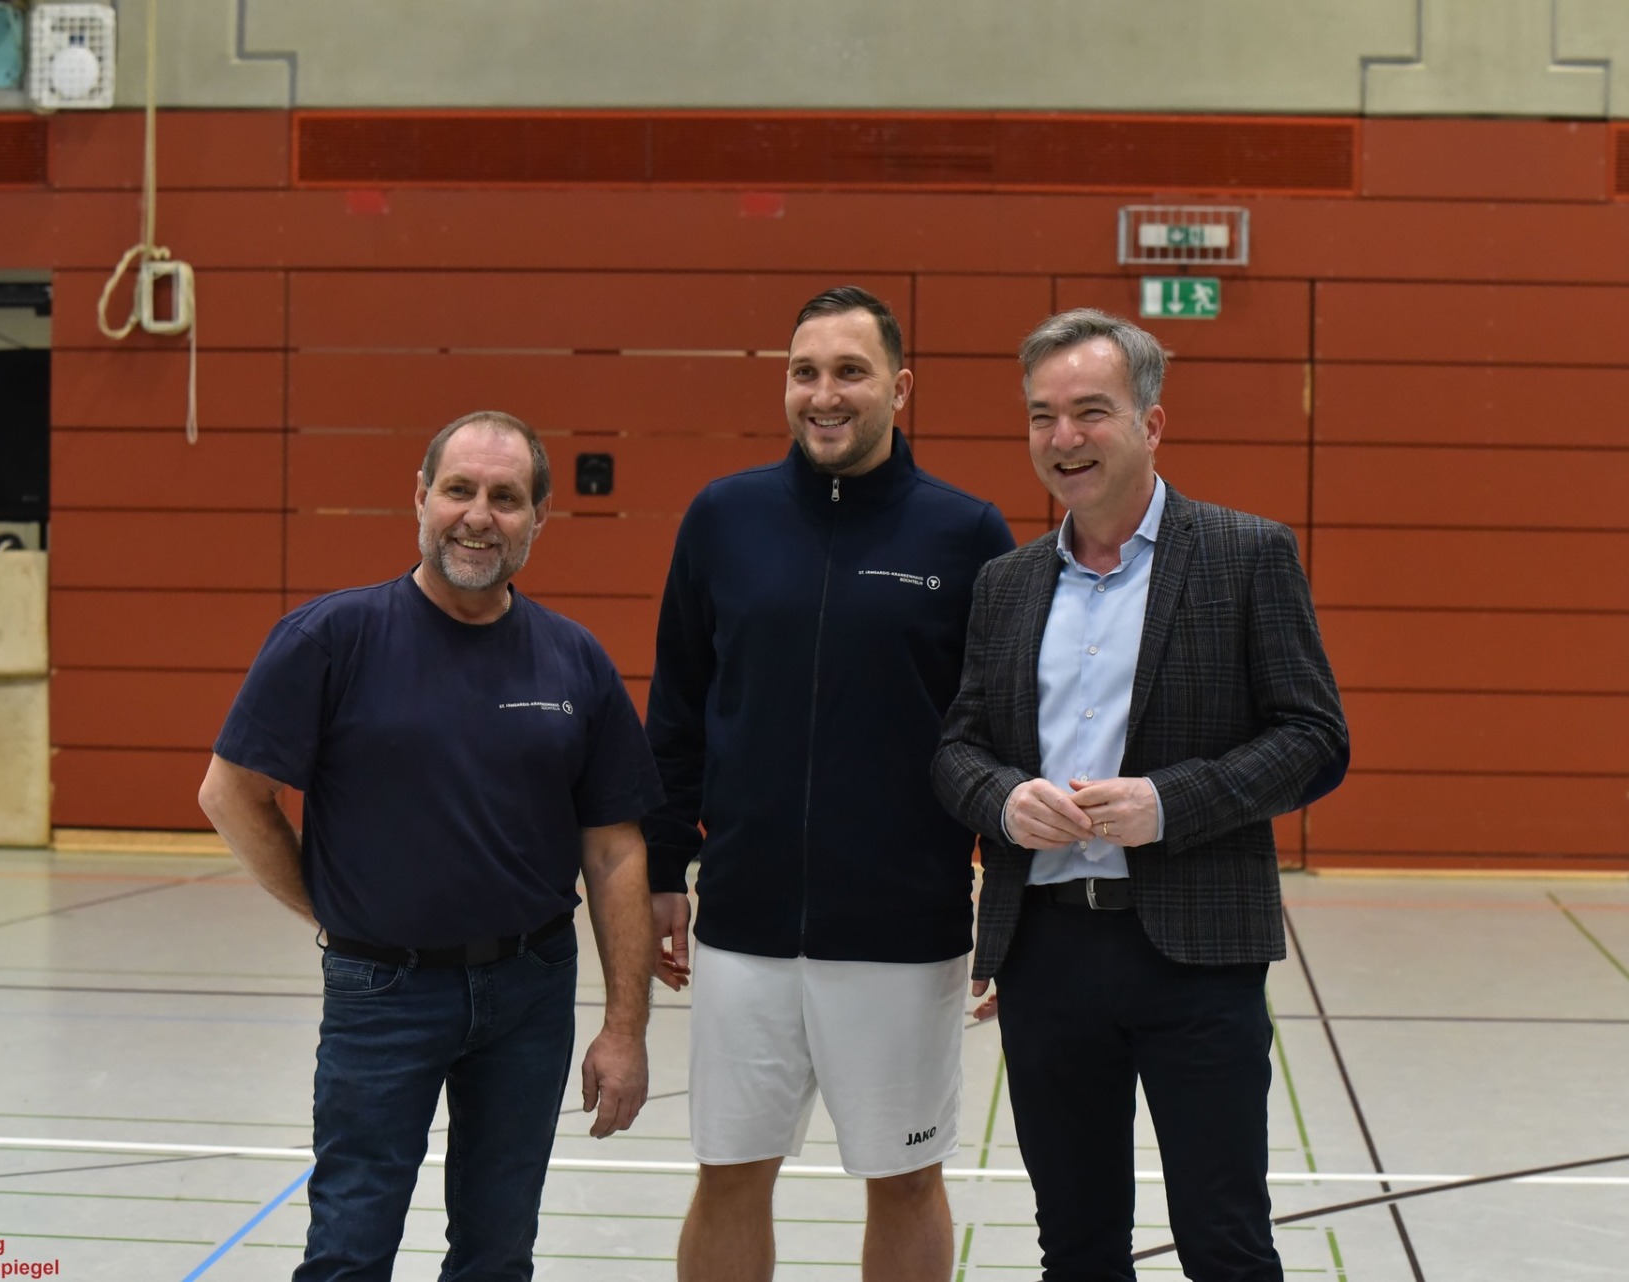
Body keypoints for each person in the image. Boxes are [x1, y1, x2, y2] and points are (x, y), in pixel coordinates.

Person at [930, 309, 1350, 1282]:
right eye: (1042, 416)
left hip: (1197, 957)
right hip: (1045, 953)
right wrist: (1005, 801)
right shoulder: (1007, 584)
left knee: (1225, 1243)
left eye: (1090, 411)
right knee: (1076, 1248)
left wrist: (1170, 803)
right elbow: (958, 750)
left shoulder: (1247, 555)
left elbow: (1315, 739)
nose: (1063, 438)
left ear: (1151, 424)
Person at [197, 410, 662, 1282]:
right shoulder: (331, 639)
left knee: (498, 1253)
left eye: (506, 497)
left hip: (530, 994)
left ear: (539, 516)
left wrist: (624, 1029)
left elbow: (614, 852)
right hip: (383, 994)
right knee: (350, 1249)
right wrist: (327, 909)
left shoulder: (575, 660)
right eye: (458, 490)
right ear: (419, 498)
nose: (478, 516)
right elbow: (231, 793)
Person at [644, 286, 1016, 1281]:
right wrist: (663, 869)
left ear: (901, 387)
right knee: (729, 1172)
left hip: (905, 932)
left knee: (906, 1179)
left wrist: (1009, 909)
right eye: (804, 372)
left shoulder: (967, 535)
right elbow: (677, 705)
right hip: (744, 927)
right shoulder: (723, 518)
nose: (824, 394)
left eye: (850, 371)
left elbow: (1003, 737)